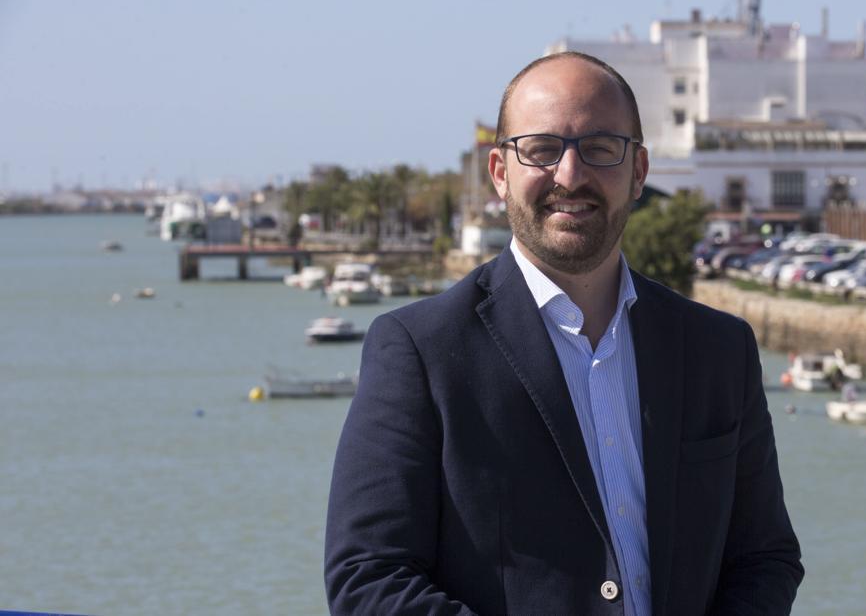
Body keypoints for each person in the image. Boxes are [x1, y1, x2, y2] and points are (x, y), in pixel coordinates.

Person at [325, 52, 803, 615]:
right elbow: (369, 578)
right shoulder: (420, 351)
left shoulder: (720, 350)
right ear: (501, 172)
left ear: (639, 171)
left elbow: (765, 558)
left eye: (600, 148)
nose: (570, 175)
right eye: (542, 149)